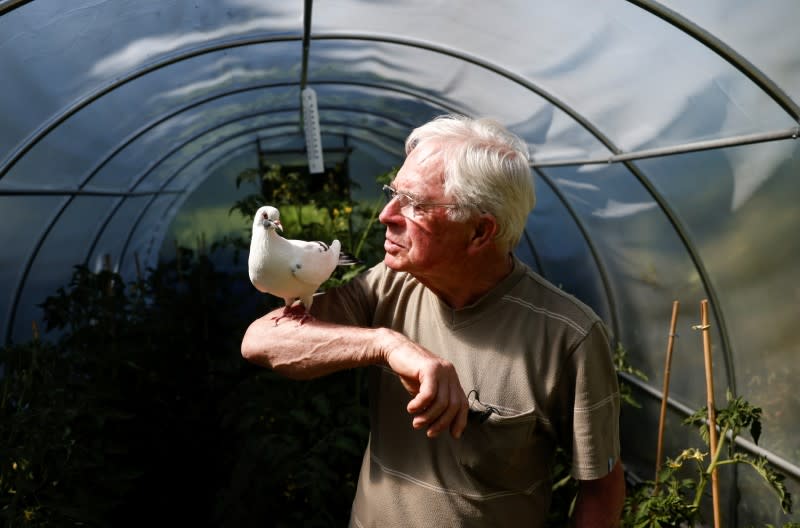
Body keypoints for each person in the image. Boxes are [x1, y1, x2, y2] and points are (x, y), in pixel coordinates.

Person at [241, 114, 625, 527]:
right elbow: (261, 341)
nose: (387, 214)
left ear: (480, 232)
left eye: (416, 204)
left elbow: (601, 492)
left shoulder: (568, 337)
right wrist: (386, 345)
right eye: (393, 193)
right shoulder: (388, 285)